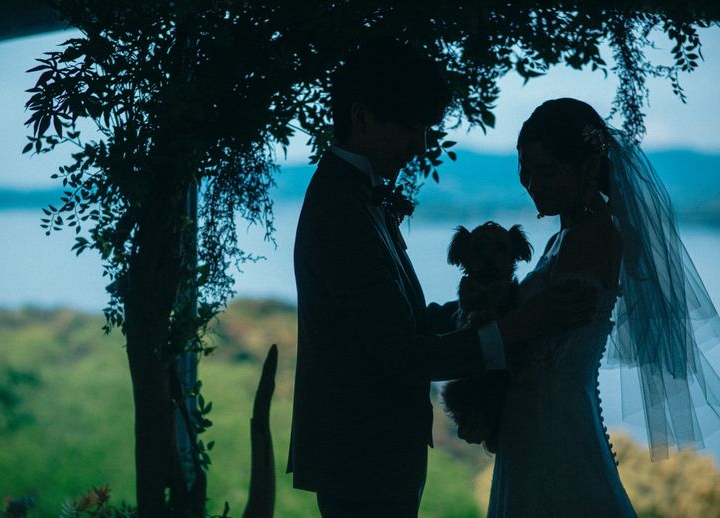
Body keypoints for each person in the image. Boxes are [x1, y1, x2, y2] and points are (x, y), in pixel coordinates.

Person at [286, 41, 598, 518]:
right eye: (413, 128)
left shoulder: (357, 197)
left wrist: (483, 308)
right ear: (362, 118)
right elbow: (403, 355)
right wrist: (518, 325)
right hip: (361, 458)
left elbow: (401, 320)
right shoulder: (340, 211)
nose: (421, 145)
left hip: (376, 455)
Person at [486, 98, 720, 517]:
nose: (532, 184)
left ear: (590, 166)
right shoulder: (565, 236)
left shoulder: (591, 237)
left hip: (552, 428)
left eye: (546, 171)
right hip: (541, 420)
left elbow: (541, 347)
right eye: (525, 171)